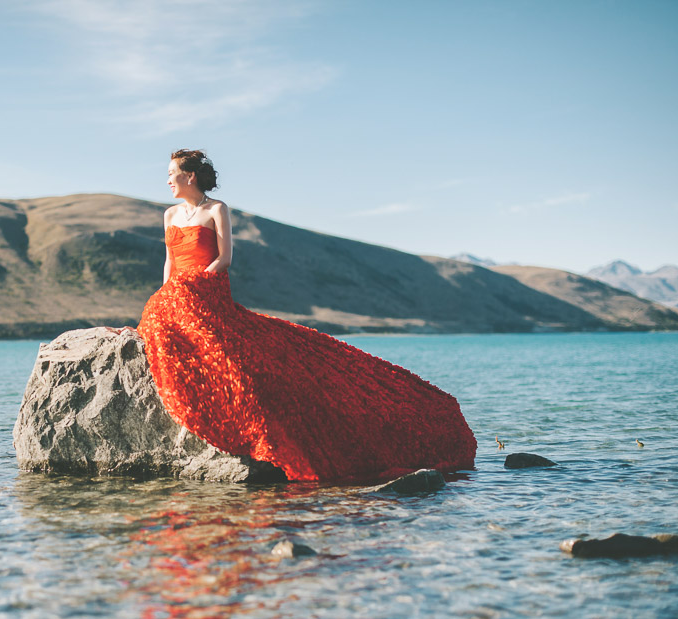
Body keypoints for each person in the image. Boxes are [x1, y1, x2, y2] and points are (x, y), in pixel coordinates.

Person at [136, 149, 476, 483]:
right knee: (159, 322)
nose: (167, 180)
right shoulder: (169, 215)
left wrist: (196, 284)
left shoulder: (216, 209)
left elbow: (224, 258)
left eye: (171, 173)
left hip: (208, 288)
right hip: (177, 291)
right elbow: (169, 261)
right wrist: (168, 292)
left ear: (190, 176)